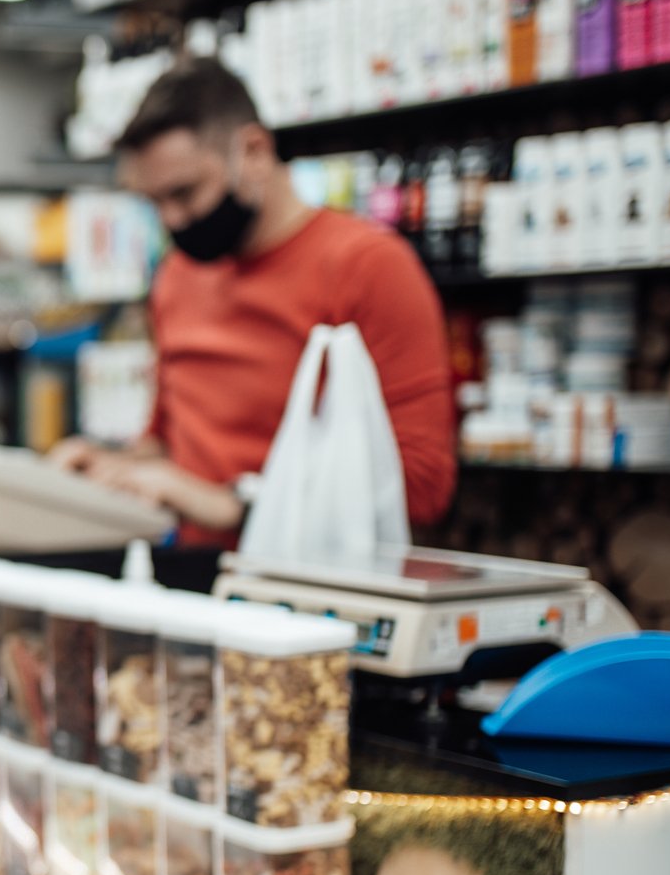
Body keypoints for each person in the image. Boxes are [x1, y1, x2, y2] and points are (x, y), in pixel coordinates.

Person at [54, 58, 457, 573]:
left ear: (254, 152)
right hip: (187, 574)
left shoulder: (368, 267)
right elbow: (171, 447)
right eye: (154, 202)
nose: (172, 220)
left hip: (308, 586)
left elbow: (420, 487)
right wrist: (109, 468)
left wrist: (239, 502)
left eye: (185, 193)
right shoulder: (177, 276)